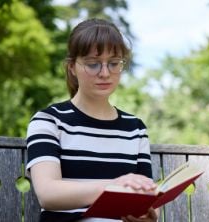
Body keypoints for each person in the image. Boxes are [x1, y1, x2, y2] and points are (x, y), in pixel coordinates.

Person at [26, 18, 159, 222]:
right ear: (72, 67)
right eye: (93, 64)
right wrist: (114, 188)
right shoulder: (49, 121)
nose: (105, 73)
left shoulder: (135, 129)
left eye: (114, 63)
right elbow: (48, 193)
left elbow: (147, 198)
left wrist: (147, 215)